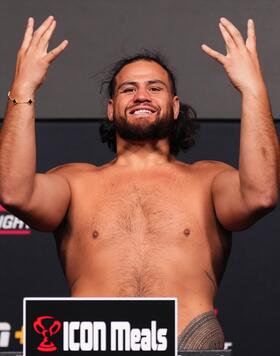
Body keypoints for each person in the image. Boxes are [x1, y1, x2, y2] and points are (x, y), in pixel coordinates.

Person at [0, 16, 279, 352]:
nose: (141, 96)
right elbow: (14, 192)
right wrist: (23, 90)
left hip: (187, 342)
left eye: (155, 88)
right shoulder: (75, 182)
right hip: (92, 343)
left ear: (175, 107)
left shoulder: (208, 180)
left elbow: (261, 194)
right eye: (128, 89)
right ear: (111, 108)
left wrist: (253, 90)